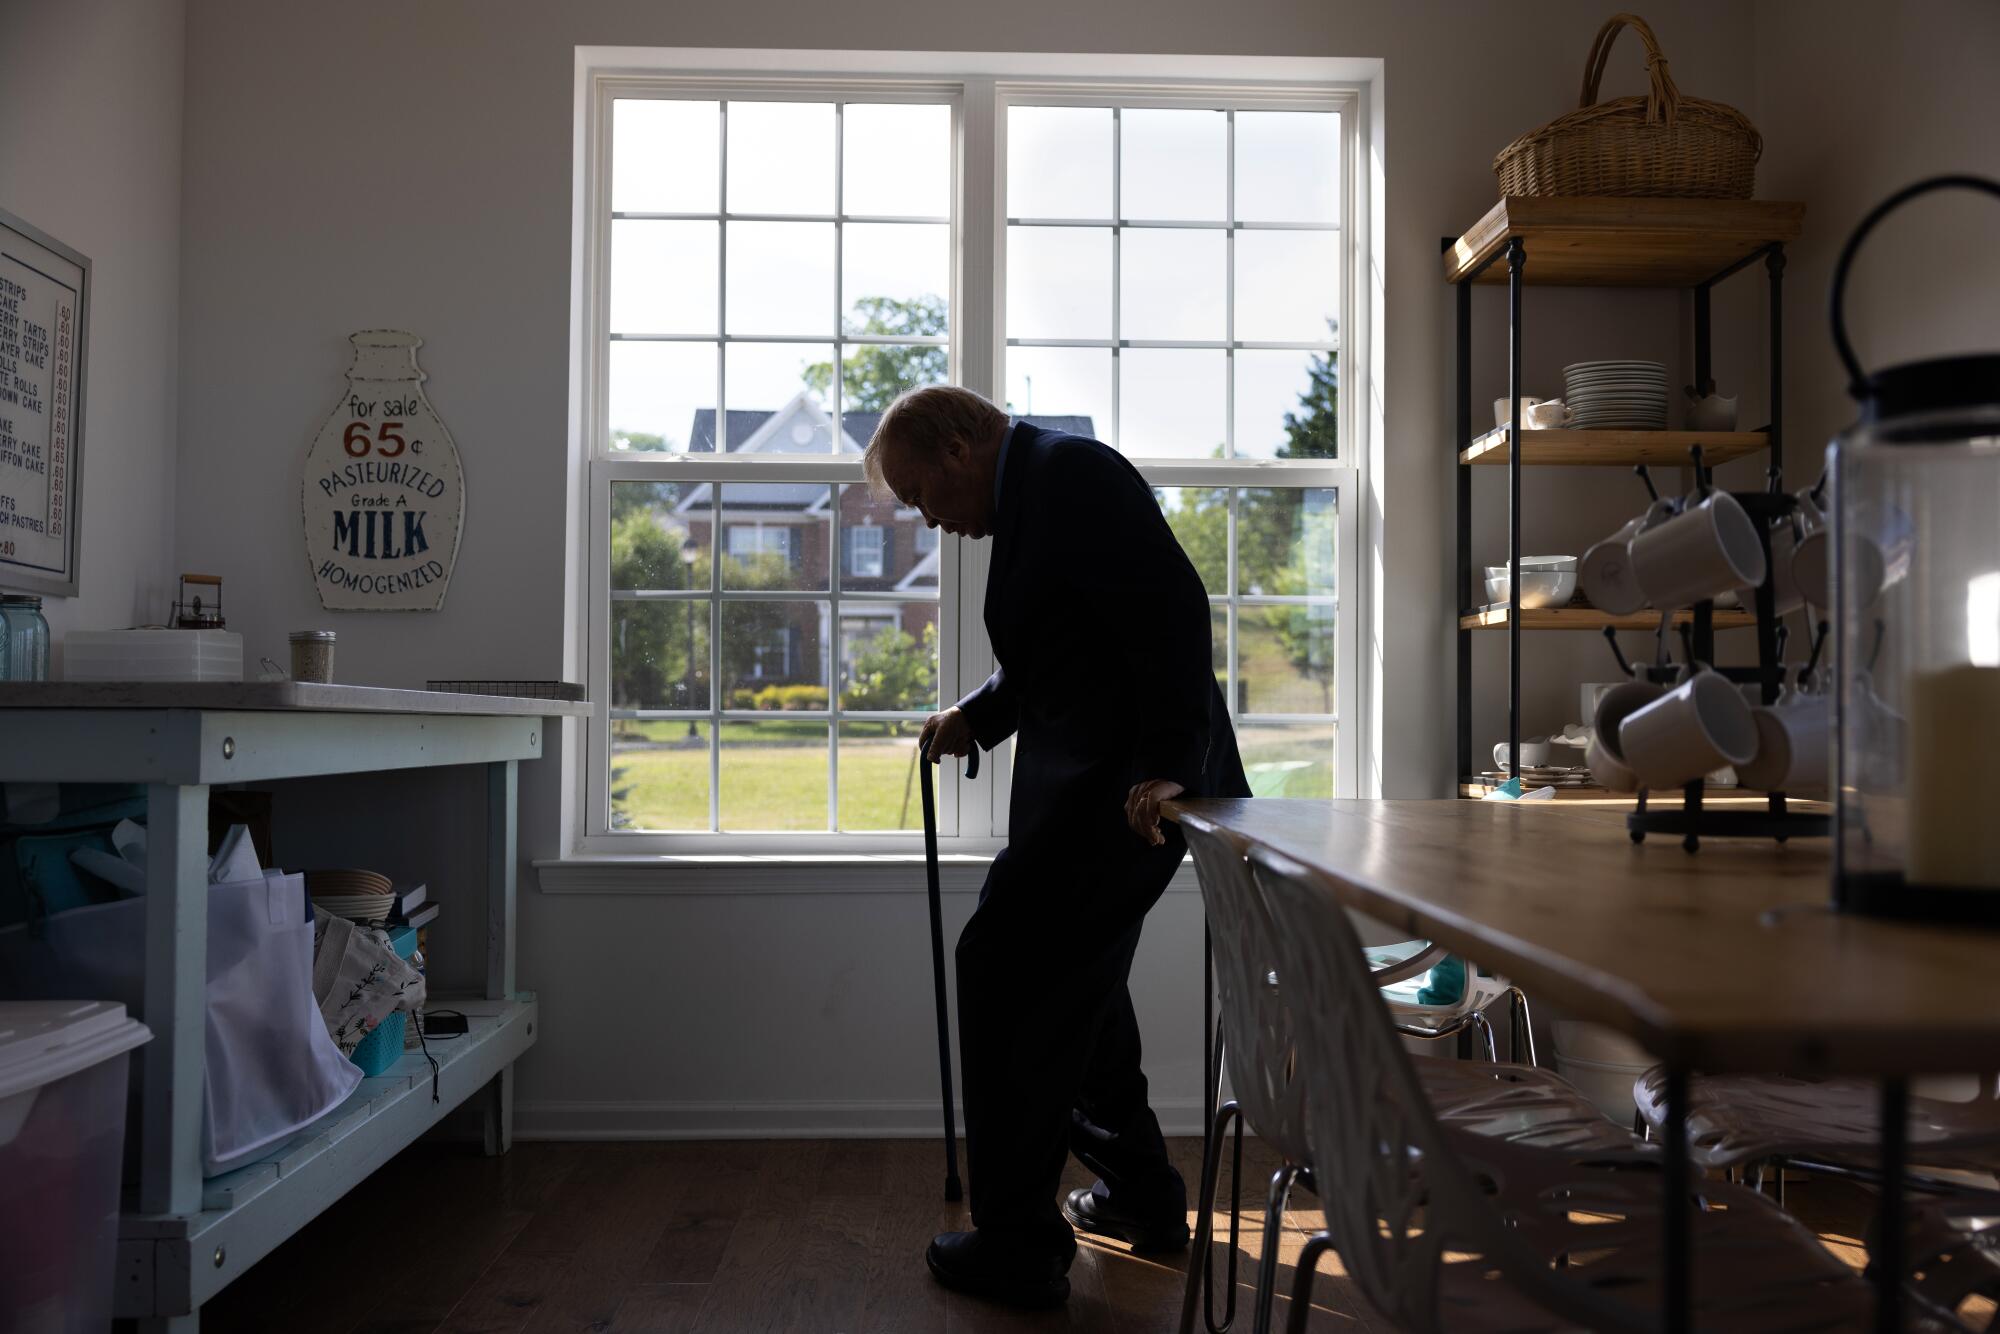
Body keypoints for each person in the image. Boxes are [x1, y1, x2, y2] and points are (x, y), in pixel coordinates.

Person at [866, 385, 1249, 1309]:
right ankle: (1143, 1199)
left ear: (961, 447)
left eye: (924, 496)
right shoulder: (1037, 497)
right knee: (1080, 992)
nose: (930, 521)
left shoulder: (1073, 475)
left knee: (1002, 969)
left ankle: (1018, 1244)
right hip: (1103, 795)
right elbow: (1055, 649)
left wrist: (1165, 766)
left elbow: (1173, 613)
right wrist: (977, 715)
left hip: (1130, 798)